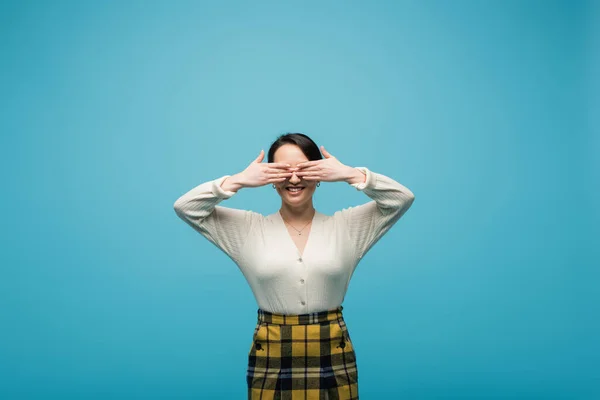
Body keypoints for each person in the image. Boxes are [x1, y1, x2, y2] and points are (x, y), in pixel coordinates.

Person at [173, 133, 415, 399]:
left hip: (331, 349)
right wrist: (238, 180)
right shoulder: (248, 229)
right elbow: (186, 207)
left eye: (305, 169)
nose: (294, 179)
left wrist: (351, 174)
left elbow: (401, 198)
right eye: (282, 171)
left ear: (320, 174)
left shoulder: (347, 226)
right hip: (273, 350)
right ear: (269, 178)